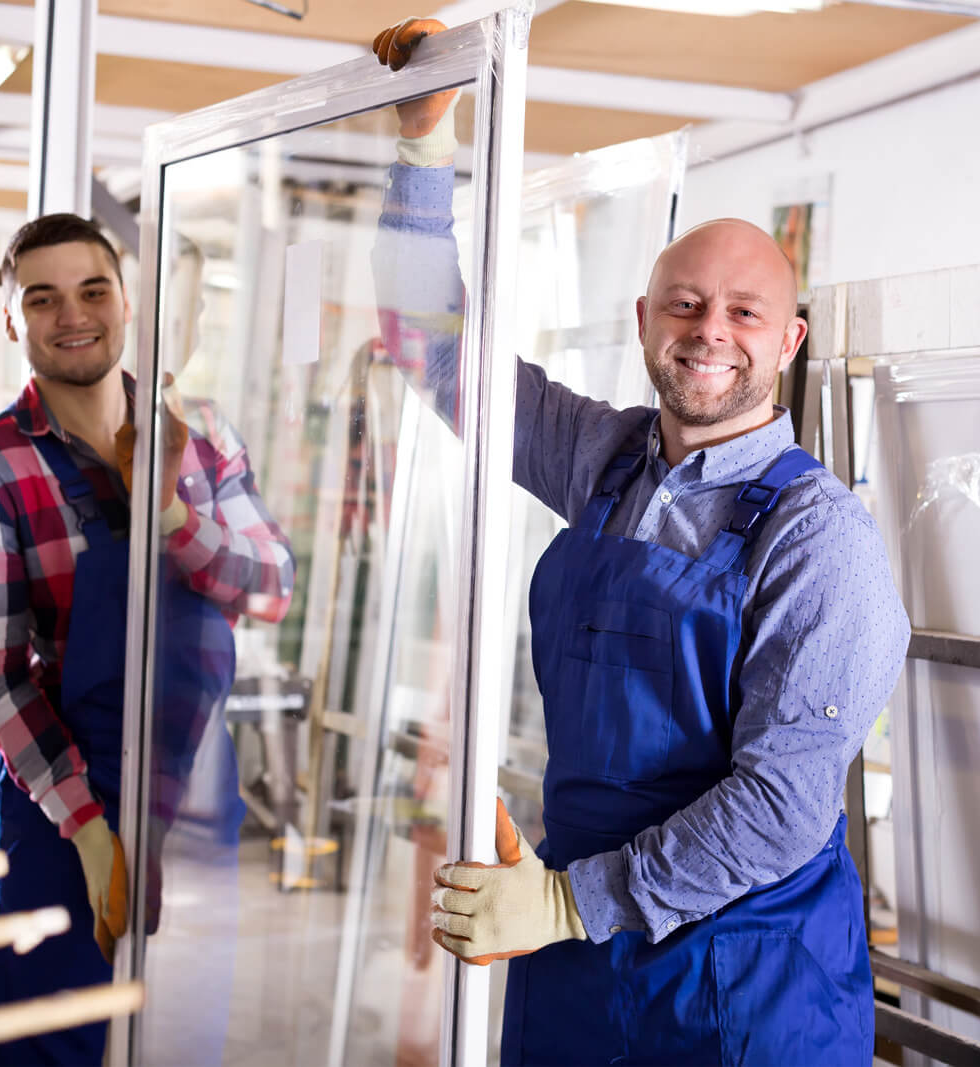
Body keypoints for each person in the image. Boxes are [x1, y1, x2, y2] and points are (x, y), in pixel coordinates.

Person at [371, 18, 911, 1067]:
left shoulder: (818, 539)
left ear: (788, 340)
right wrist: (422, 145)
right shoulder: (603, 458)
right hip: (575, 954)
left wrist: (572, 900)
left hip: (745, 980)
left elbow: (780, 804)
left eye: (745, 312)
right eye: (687, 303)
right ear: (644, 317)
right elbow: (426, 344)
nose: (711, 330)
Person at [0, 213, 294, 1065]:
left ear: (127, 303)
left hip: (197, 793)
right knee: (50, 1040)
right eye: (42, 298)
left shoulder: (200, 440)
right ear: (12, 320)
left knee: (181, 1033)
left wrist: (168, 512)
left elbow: (272, 588)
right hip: (65, 811)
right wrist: (93, 834)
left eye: (93, 290)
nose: (72, 315)